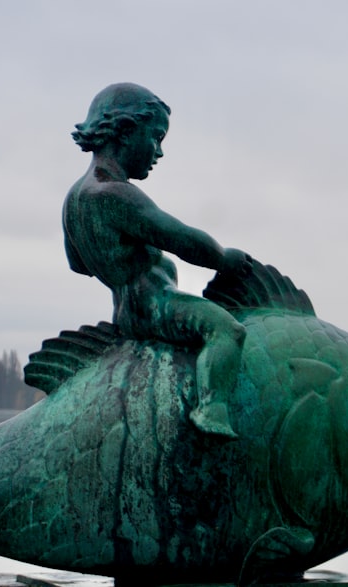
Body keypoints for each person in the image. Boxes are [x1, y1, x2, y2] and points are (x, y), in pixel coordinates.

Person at [63, 83, 251, 439]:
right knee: (227, 330)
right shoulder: (114, 194)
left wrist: (114, 257)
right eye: (157, 137)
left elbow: (78, 264)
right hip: (152, 305)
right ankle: (213, 409)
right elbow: (178, 237)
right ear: (126, 131)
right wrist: (223, 258)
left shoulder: (74, 198)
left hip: (126, 307)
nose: (160, 151)